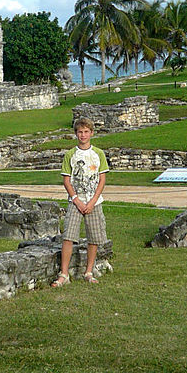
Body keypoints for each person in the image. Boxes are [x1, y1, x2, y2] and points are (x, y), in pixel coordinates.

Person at [52, 117, 109, 287]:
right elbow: (66, 180)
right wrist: (76, 200)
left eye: (86, 132)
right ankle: (64, 274)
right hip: (75, 201)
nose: (83, 135)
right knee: (68, 236)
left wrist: (92, 201)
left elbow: (102, 180)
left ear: (91, 133)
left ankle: (88, 271)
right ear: (76, 134)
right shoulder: (70, 154)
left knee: (93, 237)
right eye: (80, 132)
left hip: (94, 202)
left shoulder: (98, 154)